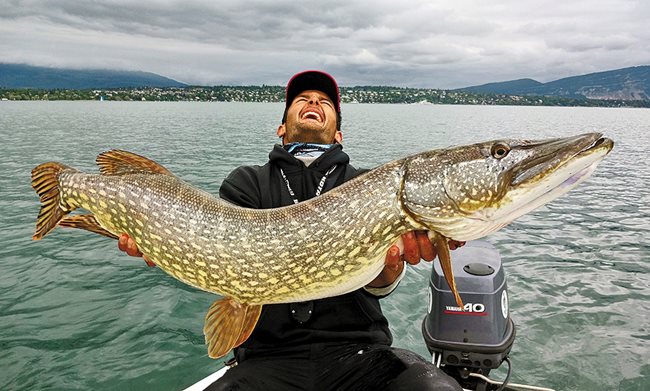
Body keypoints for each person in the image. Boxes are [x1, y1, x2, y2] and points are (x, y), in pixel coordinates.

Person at [118, 70, 463, 391]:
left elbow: (379, 283)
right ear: (281, 128)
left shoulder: (363, 183)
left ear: (338, 134)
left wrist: (389, 268)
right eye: (302, 99)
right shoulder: (247, 182)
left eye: (324, 102)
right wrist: (156, 234)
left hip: (361, 355)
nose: (314, 102)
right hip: (266, 359)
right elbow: (220, 253)